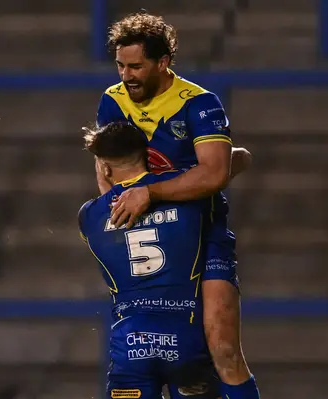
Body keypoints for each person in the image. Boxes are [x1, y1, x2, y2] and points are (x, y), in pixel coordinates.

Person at [94, 12, 260, 399]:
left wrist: (150, 193)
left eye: (136, 66)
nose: (126, 75)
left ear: (163, 62)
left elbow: (215, 173)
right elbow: (105, 170)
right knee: (151, 351)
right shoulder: (112, 100)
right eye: (120, 65)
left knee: (223, 346)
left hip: (205, 234)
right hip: (149, 238)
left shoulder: (199, 103)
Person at [79, 121, 227, 399]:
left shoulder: (88, 216)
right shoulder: (191, 195)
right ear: (147, 155)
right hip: (186, 337)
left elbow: (114, 215)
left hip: (130, 343)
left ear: (104, 167)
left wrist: (109, 183)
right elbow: (231, 164)